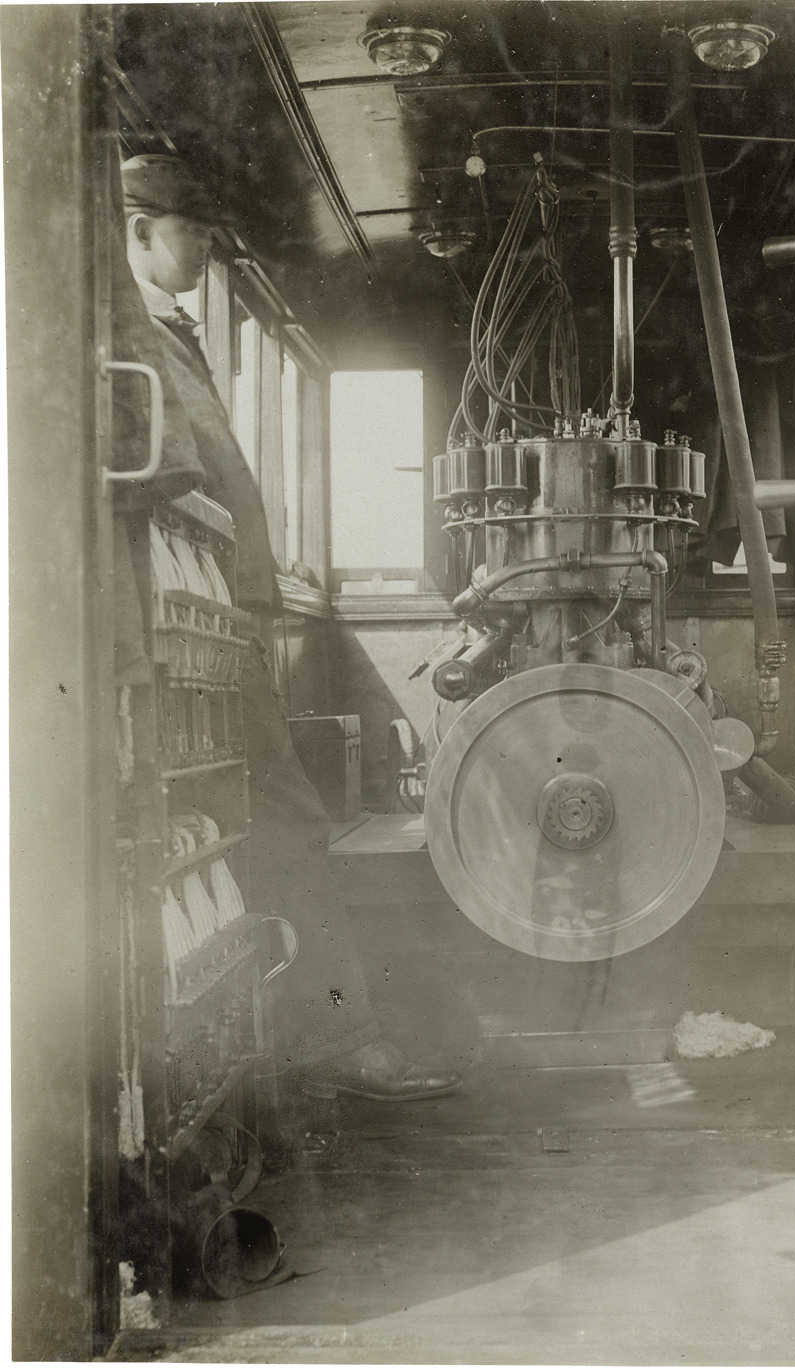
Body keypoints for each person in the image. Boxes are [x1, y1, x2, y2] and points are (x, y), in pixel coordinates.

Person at [122, 152, 460, 1103]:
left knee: (259, 823)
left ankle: (297, 1043)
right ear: (138, 229)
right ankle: (333, 1041)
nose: (204, 247)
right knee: (283, 820)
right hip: (184, 627)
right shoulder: (127, 335)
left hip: (219, 621)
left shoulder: (165, 332)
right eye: (190, 229)